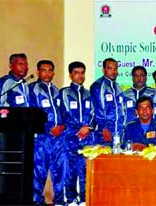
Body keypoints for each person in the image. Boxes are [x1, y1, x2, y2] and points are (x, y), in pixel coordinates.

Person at [29, 60, 65, 205]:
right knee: (39, 171)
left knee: (60, 170)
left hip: (58, 138)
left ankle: (60, 201)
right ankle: (36, 201)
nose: (47, 73)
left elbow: (63, 112)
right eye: (44, 70)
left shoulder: (57, 90)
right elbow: (32, 113)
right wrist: (49, 128)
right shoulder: (32, 89)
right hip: (42, 138)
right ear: (38, 72)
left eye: (50, 70)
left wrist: (62, 126)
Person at [58, 61, 95, 206]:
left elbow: (94, 113)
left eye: (82, 72)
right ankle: (72, 199)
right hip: (70, 138)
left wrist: (88, 128)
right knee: (70, 170)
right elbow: (64, 114)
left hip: (87, 138)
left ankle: (85, 199)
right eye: (76, 72)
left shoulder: (89, 94)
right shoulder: (64, 92)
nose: (80, 76)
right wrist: (78, 130)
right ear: (70, 75)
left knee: (86, 170)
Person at [90, 58, 125, 145]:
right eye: (110, 68)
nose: (113, 71)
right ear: (103, 70)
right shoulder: (98, 86)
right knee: (105, 157)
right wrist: (104, 128)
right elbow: (97, 109)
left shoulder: (118, 87)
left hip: (119, 132)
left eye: (115, 69)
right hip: (105, 133)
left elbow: (123, 110)